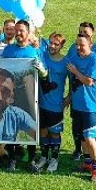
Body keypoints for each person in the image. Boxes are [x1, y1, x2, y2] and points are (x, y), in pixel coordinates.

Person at [0, 19, 46, 171]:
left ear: (28, 33)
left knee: (30, 124)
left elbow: (45, 75)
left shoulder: (34, 51)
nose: (18, 33)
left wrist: (41, 70)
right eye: (16, 30)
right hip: (11, 95)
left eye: (22, 31)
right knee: (11, 125)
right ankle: (12, 159)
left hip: (29, 95)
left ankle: (31, 158)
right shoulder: (8, 50)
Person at [66, 33, 96, 182]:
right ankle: (88, 163)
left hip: (91, 107)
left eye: (82, 45)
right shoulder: (74, 58)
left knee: (90, 138)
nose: (79, 47)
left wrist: (75, 71)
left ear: (90, 45)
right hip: (77, 105)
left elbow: (89, 81)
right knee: (81, 137)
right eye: (77, 44)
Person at [32, 32, 68, 173]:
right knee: (43, 131)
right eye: (51, 42)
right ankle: (44, 157)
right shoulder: (43, 55)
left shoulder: (66, 62)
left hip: (56, 104)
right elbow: (34, 44)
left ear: (62, 45)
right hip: (41, 103)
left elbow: (73, 83)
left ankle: (54, 159)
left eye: (56, 44)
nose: (52, 46)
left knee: (54, 133)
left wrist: (68, 99)